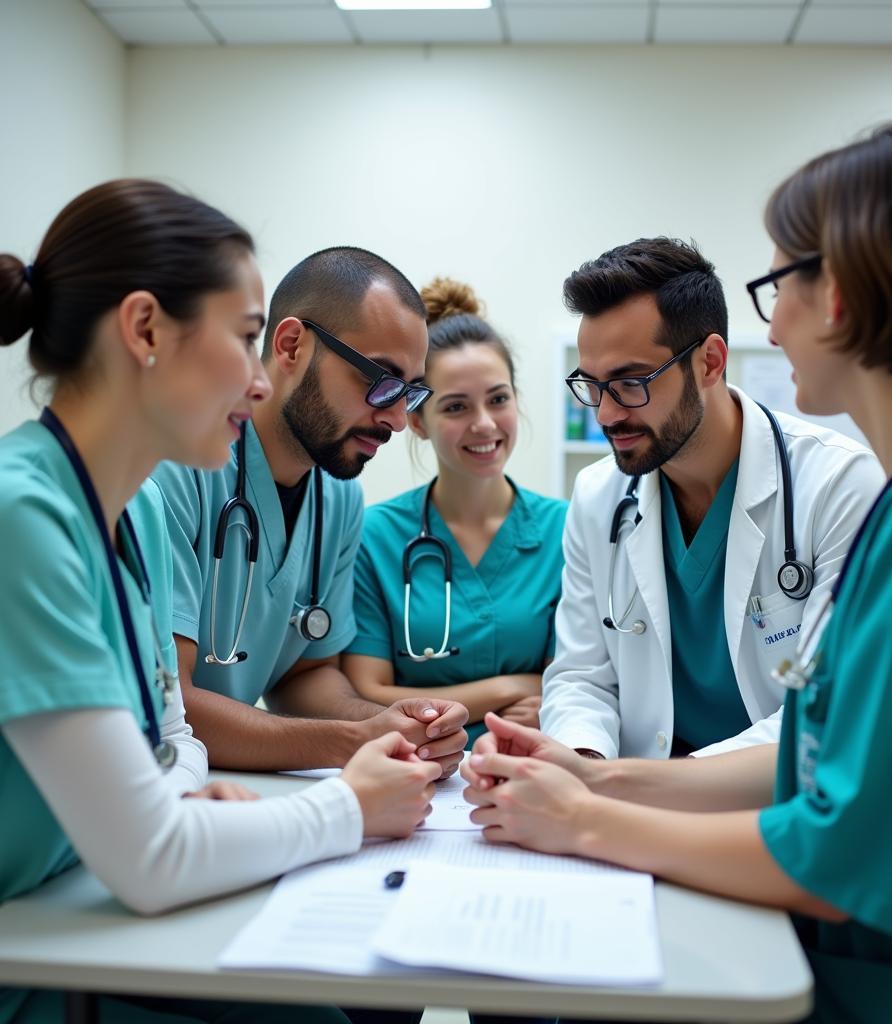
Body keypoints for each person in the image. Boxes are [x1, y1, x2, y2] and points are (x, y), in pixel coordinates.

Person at [463, 122, 892, 1023]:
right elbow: (818, 762)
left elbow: (845, 849)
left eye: (776, 286)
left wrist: (583, 822)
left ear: (836, 292)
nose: (774, 322)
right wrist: (590, 774)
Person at [0, 180, 440, 1024]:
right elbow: (152, 853)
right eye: (244, 339)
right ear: (144, 331)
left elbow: (171, 735)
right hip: (35, 956)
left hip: (92, 913)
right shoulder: (27, 516)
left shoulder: (125, 521)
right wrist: (348, 803)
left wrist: (187, 789)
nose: (256, 378)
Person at [540, 237, 884, 760]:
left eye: (631, 382)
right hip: (631, 798)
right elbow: (581, 677)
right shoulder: (597, 496)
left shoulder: (838, 484)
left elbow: (825, 711)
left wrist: (640, 787)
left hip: (768, 803)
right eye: (591, 384)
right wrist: (582, 763)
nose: (606, 415)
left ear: (709, 362)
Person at [150, 249, 468, 775]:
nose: (394, 418)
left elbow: (305, 675)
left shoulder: (338, 495)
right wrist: (350, 741)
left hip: (240, 784)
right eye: (380, 380)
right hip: (165, 790)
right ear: (292, 345)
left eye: (410, 392)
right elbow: (171, 703)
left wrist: (401, 725)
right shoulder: (179, 466)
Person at [341, 278, 567, 745]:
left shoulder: (567, 530)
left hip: (530, 767)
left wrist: (551, 698)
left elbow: (573, 684)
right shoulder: (375, 535)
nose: (484, 424)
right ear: (418, 420)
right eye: (456, 406)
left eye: (498, 399)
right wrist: (510, 688)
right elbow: (365, 689)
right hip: (416, 768)